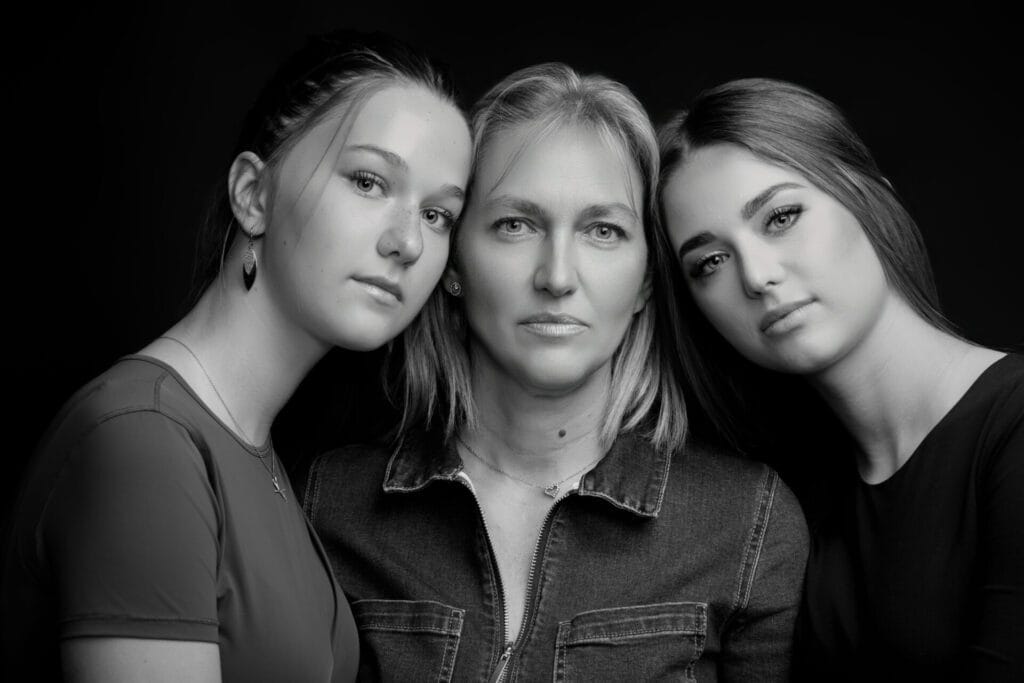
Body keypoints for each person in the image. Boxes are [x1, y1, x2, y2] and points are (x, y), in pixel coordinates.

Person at [303, 63, 808, 681]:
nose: (558, 276)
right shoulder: (330, 503)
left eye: (604, 230)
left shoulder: (746, 523)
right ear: (453, 261)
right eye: (516, 225)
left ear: (647, 279)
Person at [2, 31, 471, 682]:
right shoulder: (146, 440)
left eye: (439, 213)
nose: (408, 242)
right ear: (253, 194)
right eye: (368, 181)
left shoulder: (253, 451)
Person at [656, 77, 1023, 681]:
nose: (757, 275)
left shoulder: (1012, 429)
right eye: (709, 262)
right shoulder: (782, 493)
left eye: (780, 216)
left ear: (870, 196)